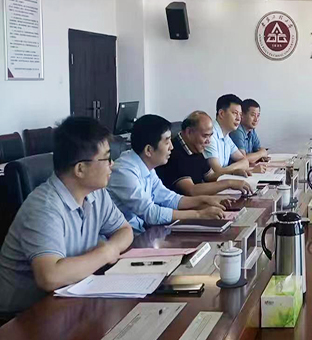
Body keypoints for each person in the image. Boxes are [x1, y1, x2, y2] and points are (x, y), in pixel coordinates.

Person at [0, 117, 133, 317]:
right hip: (23, 316)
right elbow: (50, 277)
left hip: (70, 298)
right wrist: (105, 253)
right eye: (106, 159)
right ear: (80, 169)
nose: (112, 165)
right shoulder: (44, 207)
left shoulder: (96, 193)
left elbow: (124, 230)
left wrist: (111, 248)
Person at [108, 114, 230, 233]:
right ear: (149, 150)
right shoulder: (124, 172)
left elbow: (169, 199)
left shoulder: (147, 165)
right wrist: (199, 214)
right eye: (167, 142)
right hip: (126, 238)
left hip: (142, 232)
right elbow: (151, 213)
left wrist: (205, 200)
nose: (171, 147)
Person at [156, 111, 254, 196]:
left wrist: (233, 172)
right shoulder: (174, 153)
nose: (208, 141)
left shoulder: (194, 147)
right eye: (205, 136)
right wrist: (229, 183)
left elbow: (209, 176)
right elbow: (191, 190)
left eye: (210, 136)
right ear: (189, 132)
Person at [204, 94, 265, 176]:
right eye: (235, 113)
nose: (239, 118)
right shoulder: (210, 135)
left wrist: (230, 170)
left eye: (240, 114)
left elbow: (244, 161)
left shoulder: (226, 136)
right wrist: (236, 170)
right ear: (221, 113)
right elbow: (217, 172)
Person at [230, 98, 269, 165]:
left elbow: (258, 150)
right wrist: (261, 153)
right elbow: (242, 160)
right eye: (253, 115)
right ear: (242, 115)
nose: (256, 119)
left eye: (258, 115)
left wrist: (260, 154)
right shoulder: (237, 131)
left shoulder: (251, 130)